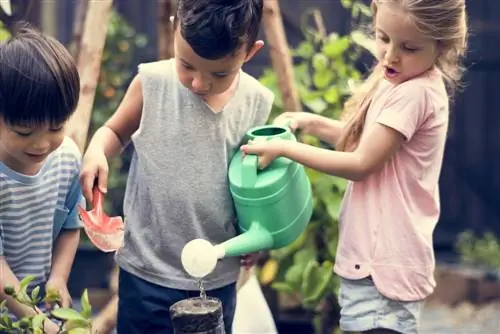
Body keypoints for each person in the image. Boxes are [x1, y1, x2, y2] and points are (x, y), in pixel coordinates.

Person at [241, 0, 468, 333]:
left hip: (383, 273)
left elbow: (361, 163)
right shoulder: (401, 81)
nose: (390, 55)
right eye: (383, 38)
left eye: (408, 47)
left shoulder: (415, 94)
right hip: (376, 269)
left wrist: (287, 149)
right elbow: (364, 142)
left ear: (442, 46)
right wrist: (311, 122)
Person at [79, 0, 274, 332]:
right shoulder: (153, 83)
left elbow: (252, 185)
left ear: (250, 53)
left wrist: (252, 238)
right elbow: (114, 131)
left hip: (215, 278)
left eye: (219, 73)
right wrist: (97, 150)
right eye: (187, 66)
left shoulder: (256, 103)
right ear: (174, 28)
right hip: (145, 273)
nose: (199, 83)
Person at [0, 25, 82, 334]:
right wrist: (38, 323)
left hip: (40, 304)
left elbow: (70, 227)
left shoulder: (67, 159)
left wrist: (58, 278)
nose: (42, 144)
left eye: (57, 127)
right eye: (24, 132)